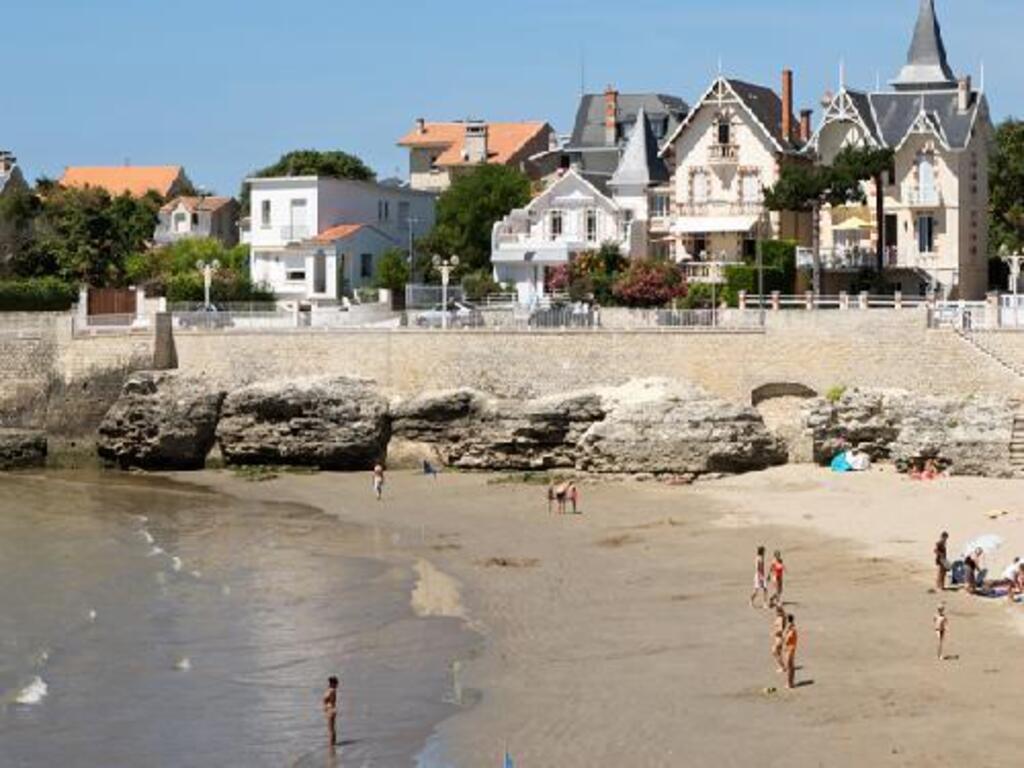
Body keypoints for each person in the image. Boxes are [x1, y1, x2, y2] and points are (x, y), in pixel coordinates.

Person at [323, 676, 339, 746]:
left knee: (331, 729)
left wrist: (327, 708)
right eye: (336, 683)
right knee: (331, 729)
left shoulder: (330, 690)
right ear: (332, 683)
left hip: (330, 710)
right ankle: (333, 745)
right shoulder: (331, 690)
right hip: (330, 710)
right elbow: (331, 702)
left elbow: (331, 702)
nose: (337, 685)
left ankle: (331, 746)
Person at [783, 615, 799, 689]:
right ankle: (791, 683)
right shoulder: (791, 629)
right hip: (791, 648)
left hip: (790, 649)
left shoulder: (791, 630)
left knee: (789, 667)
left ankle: (789, 684)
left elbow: (786, 640)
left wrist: (785, 633)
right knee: (791, 667)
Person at [771, 605, 788, 673]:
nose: (776, 612)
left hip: (779, 638)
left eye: (777, 611)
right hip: (778, 637)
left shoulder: (781, 618)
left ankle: (782, 667)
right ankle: (783, 666)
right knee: (779, 653)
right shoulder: (781, 617)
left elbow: (780, 630)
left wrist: (774, 632)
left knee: (774, 652)